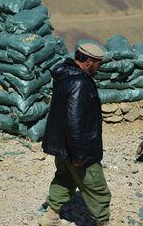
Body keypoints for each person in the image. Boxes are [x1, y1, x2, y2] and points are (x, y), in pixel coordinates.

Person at [40, 43, 111, 226]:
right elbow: (74, 121)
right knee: (97, 187)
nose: (99, 67)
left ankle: (50, 216)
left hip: (62, 146)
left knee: (65, 178)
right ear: (88, 61)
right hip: (78, 148)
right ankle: (102, 222)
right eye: (98, 63)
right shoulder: (80, 83)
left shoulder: (65, 75)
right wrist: (79, 155)